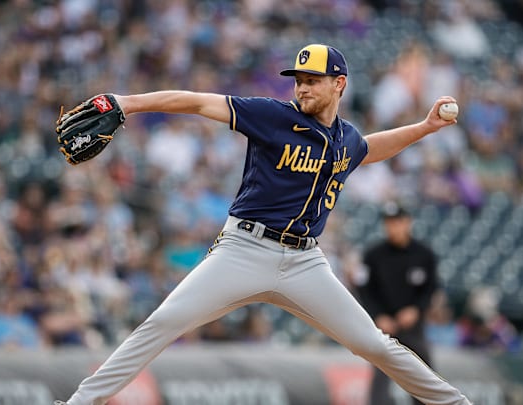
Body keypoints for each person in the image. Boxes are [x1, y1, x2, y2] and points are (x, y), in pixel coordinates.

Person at [56, 44, 471, 405]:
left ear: (339, 84)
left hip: (306, 262)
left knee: (374, 345)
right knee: (162, 322)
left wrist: (424, 127)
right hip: (244, 250)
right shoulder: (271, 116)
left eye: (313, 79)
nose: (302, 87)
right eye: (298, 79)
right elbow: (196, 102)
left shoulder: (346, 138)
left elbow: (369, 149)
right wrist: (128, 102)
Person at [355, 203, 438, 405]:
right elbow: (365, 289)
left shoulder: (424, 254)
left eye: (398, 222)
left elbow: (431, 287)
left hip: (413, 327)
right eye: (389, 223)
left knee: (422, 375)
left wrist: (416, 309)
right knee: (381, 375)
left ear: (408, 222)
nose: (394, 227)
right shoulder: (373, 255)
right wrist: (378, 315)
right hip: (384, 327)